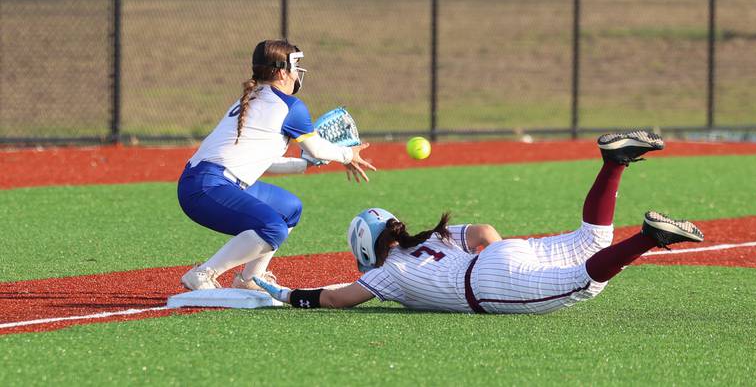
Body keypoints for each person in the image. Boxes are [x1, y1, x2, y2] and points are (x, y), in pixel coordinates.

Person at [253, 130, 705, 313]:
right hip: (500, 256)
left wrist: (286, 293)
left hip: (491, 284)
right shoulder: (433, 237)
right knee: (592, 238)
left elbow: (335, 299)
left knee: (584, 280)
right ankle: (615, 162)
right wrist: (510, 260)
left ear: (365, 250)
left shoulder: (390, 273)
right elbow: (487, 234)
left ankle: (648, 237)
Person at [177, 39, 376, 292]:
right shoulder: (289, 106)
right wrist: (347, 155)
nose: (298, 73)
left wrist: (306, 165)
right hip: (208, 187)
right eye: (295, 66)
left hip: (205, 183)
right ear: (282, 71)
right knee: (272, 227)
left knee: (289, 208)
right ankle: (203, 274)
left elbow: (264, 163)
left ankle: (251, 279)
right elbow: (316, 148)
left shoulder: (253, 97)